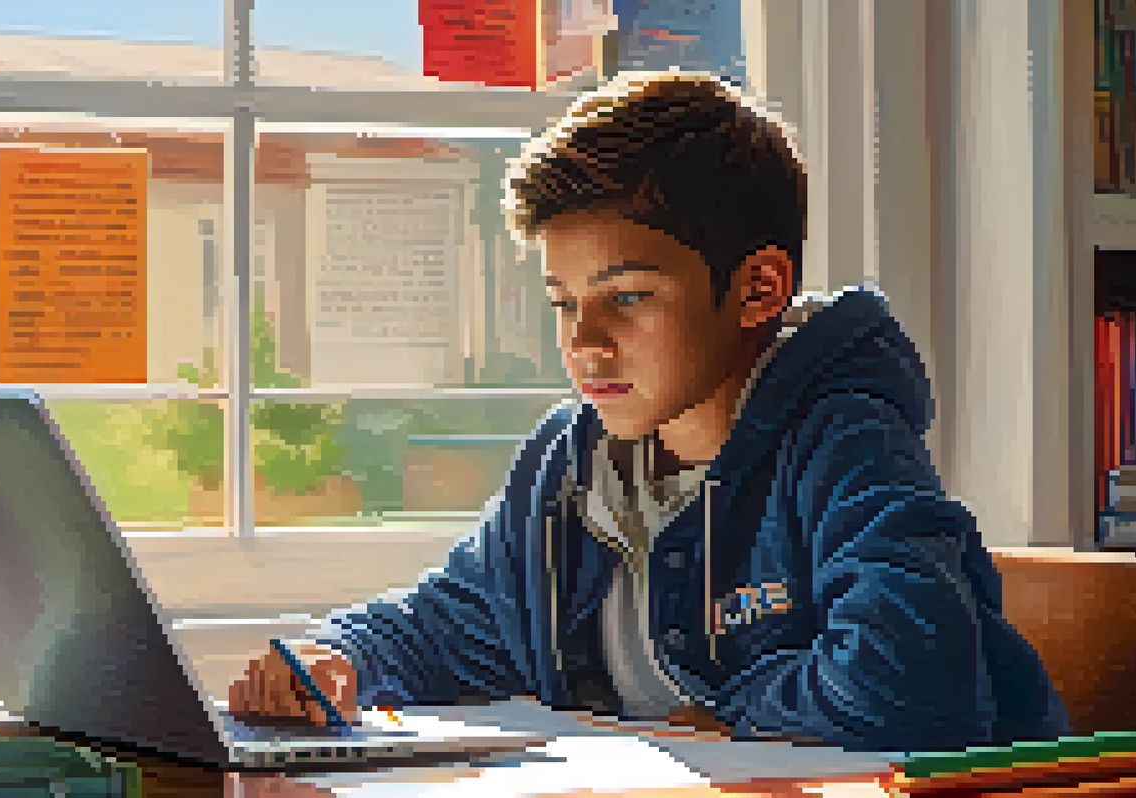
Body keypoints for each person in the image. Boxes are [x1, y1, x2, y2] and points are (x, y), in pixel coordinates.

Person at [228, 71, 1071, 753]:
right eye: (564, 303)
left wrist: (730, 708)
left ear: (758, 289)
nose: (585, 343)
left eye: (627, 297)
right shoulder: (567, 467)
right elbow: (454, 621)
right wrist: (335, 656)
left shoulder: (842, 438)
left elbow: (910, 684)